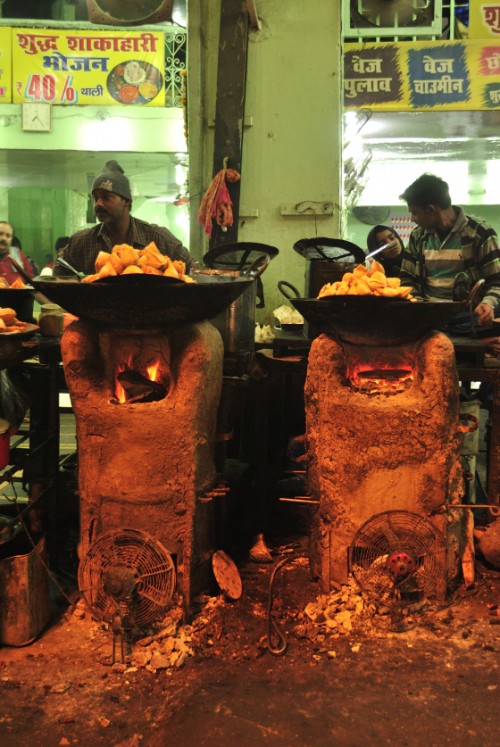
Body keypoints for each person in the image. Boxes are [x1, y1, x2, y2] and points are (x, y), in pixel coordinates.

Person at [56, 160, 192, 276]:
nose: (98, 204)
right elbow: (59, 274)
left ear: (126, 201)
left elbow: (193, 270)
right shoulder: (83, 242)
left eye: (106, 197)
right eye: (96, 198)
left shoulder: (157, 238)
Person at [399, 173, 500, 327]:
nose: (413, 219)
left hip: (468, 319)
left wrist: (488, 303)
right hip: (427, 318)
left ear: (431, 209)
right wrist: (419, 306)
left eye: (414, 212)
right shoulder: (417, 236)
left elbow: (496, 281)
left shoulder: (479, 233)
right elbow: (406, 278)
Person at [0, 221, 35, 285]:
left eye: (8, 235)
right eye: (0, 234)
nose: (4, 238)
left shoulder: (19, 256)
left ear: (11, 240)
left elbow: (31, 281)